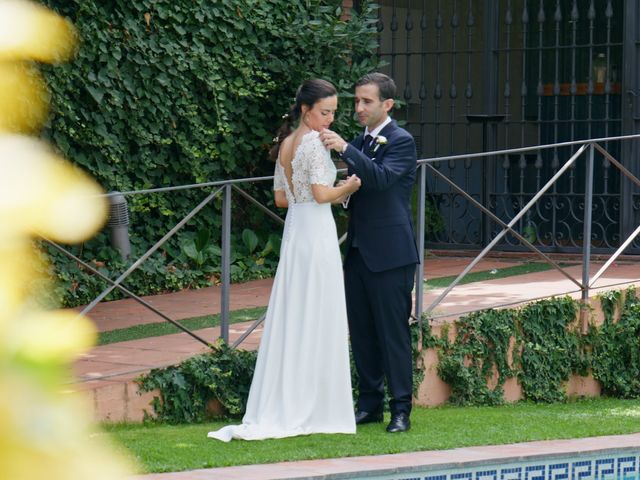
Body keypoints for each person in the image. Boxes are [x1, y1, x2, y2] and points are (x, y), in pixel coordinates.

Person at [208, 79, 361, 442]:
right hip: (316, 231)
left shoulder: (286, 144)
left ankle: (290, 397)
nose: (330, 118)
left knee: (296, 311)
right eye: (325, 112)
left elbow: (281, 197)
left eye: (334, 112)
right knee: (317, 310)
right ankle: (315, 404)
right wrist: (348, 189)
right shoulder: (311, 143)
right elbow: (322, 193)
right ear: (307, 110)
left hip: (297, 231)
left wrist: (318, 193)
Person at [320, 72, 419, 433]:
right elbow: (363, 187)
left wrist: (346, 149)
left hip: (391, 254)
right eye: (357, 101)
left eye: (367, 102)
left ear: (387, 105)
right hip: (359, 251)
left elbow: (379, 179)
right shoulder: (363, 139)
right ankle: (369, 405)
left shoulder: (402, 141)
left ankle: (401, 409)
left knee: (392, 333)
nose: (358, 108)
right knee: (361, 331)